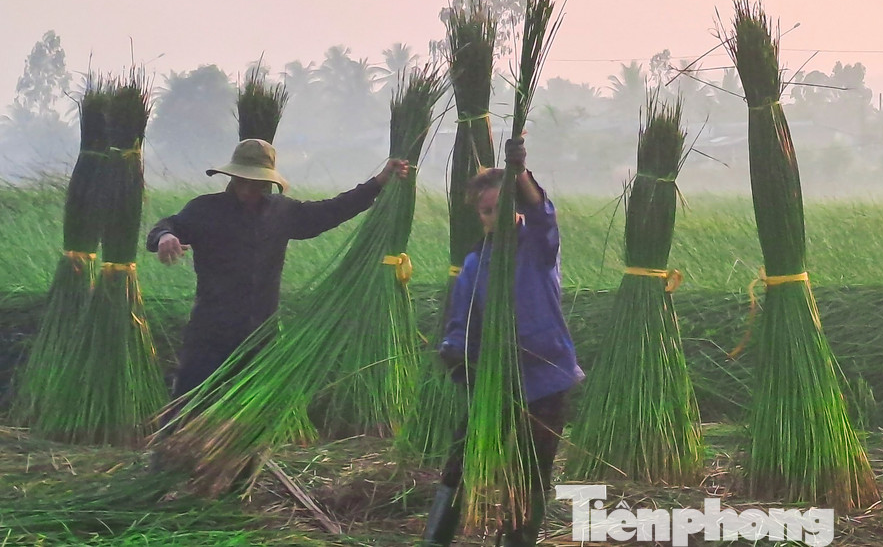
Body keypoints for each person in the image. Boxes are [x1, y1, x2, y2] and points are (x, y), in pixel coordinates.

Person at [146, 137, 408, 398]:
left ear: (267, 182)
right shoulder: (204, 209)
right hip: (209, 332)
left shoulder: (282, 212)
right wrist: (165, 237)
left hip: (261, 333)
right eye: (242, 180)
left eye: (256, 183)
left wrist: (378, 183)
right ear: (231, 177)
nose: (248, 189)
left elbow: (331, 210)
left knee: (248, 417)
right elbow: (166, 226)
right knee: (188, 405)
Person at [425, 137, 584, 547]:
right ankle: (436, 538)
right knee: (461, 460)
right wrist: (455, 355)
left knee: (531, 469)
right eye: (487, 210)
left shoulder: (537, 247)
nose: (497, 215)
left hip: (545, 375)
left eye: (504, 205)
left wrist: (522, 172)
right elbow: (461, 323)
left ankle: (516, 541)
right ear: (479, 216)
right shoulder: (476, 264)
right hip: (494, 381)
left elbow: (543, 214)